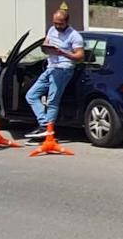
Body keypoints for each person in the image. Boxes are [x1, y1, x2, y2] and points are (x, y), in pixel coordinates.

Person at [23, 9, 85, 140]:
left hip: (63, 69)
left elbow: (80, 56)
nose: (57, 26)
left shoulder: (74, 36)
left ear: (67, 22)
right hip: (50, 67)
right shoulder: (52, 30)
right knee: (31, 95)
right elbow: (46, 44)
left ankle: (47, 128)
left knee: (52, 101)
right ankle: (45, 124)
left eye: (60, 24)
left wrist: (63, 53)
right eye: (55, 23)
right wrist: (46, 48)